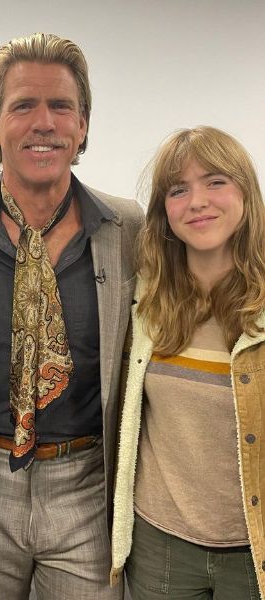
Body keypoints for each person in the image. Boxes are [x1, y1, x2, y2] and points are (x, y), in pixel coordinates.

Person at [0, 32, 144, 599]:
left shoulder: (128, 228)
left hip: (87, 483)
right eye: (23, 106)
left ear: (83, 125)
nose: (45, 122)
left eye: (61, 106)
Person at [111, 126, 265, 599]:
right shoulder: (144, 306)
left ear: (246, 193)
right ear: (163, 214)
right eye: (179, 189)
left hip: (252, 550)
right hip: (161, 546)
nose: (197, 201)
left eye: (216, 181)